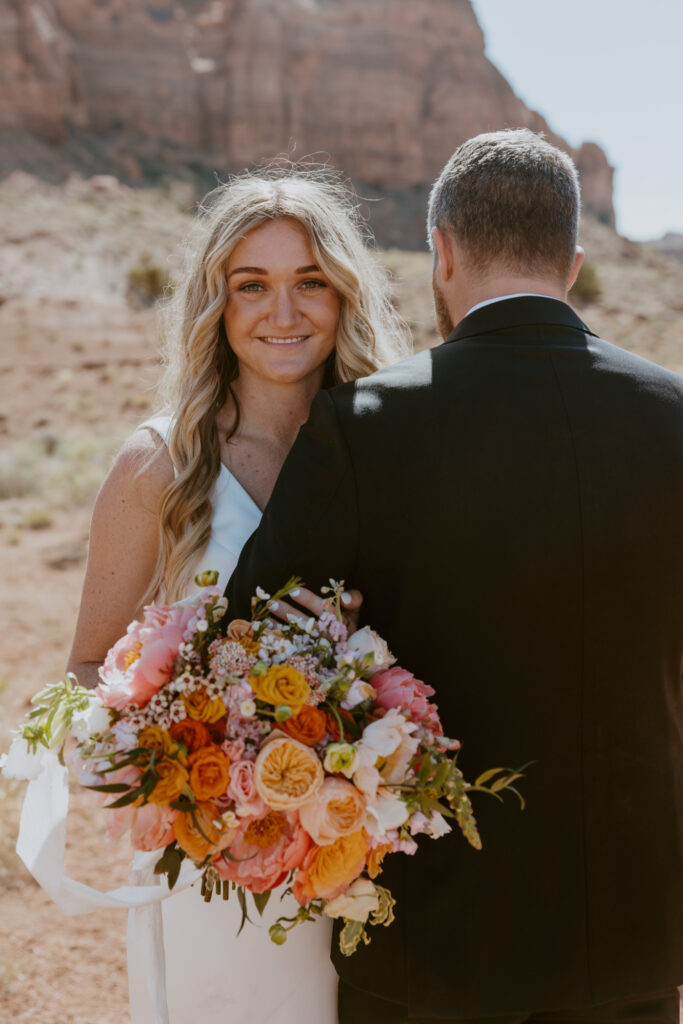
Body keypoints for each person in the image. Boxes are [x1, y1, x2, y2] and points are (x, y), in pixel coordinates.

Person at [225, 130, 683, 1024]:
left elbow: (250, 636)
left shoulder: (361, 422)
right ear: (575, 262)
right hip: (633, 929)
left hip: (428, 943)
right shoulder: (674, 420)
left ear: (439, 251)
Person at [66, 165, 411, 1023]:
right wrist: (179, 771)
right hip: (208, 872)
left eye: (310, 283)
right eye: (251, 286)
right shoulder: (159, 466)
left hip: (365, 867)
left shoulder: (397, 457)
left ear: (343, 296)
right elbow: (82, 671)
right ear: (214, 305)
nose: (282, 313)